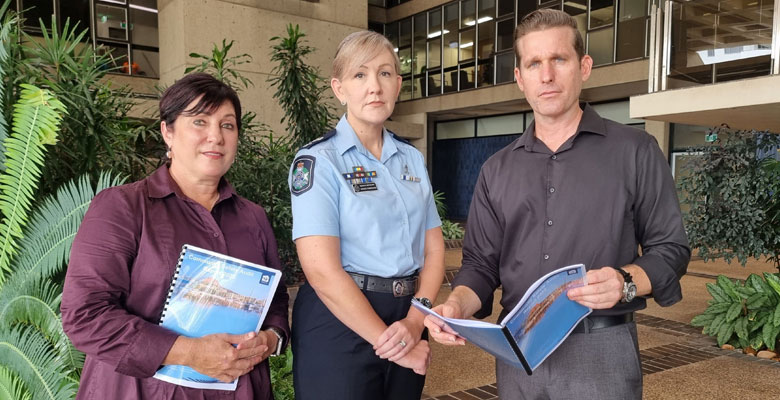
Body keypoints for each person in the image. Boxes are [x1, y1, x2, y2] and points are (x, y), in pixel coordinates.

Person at [424, 9, 690, 400]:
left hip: (602, 352)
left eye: (558, 60)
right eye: (534, 63)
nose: (546, 75)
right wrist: (456, 307)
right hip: (518, 358)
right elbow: (480, 265)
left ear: (584, 67)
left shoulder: (636, 152)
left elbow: (671, 250)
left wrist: (626, 281)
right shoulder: (496, 170)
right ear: (519, 78)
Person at [61, 72, 289, 399]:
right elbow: (85, 315)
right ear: (167, 132)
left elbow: (276, 300)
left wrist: (270, 340)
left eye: (227, 125)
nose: (216, 136)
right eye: (199, 121)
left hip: (240, 389)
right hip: (140, 390)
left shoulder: (252, 217)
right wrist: (187, 352)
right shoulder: (123, 208)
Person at [289, 30, 445, 400]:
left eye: (385, 73)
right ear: (339, 88)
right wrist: (394, 345)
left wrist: (415, 320)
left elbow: (435, 251)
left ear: (398, 85)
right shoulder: (319, 161)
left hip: (407, 316)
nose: (374, 86)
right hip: (340, 321)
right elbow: (321, 272)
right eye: (360, 75)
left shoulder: (411, 159)